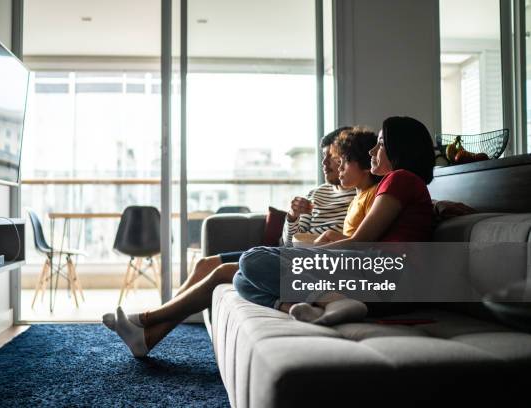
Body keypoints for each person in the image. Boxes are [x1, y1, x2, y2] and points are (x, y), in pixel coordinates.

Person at [102, 127, 356, 357]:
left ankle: (147, 322)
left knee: (222, 272)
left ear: (345, 158)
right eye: (323, 156)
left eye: (331, 157)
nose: (325, 163)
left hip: (303, 262)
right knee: (204, 263)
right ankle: (149, 332)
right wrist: (292, 217)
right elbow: (288, 242)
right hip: (285, 253)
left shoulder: (356, 197)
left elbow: (350, 242)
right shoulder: (317, 193)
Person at [232, 116, 435, 324]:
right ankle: (304, 307)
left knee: (252, 259)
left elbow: (361, 241)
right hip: (379, 281)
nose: (372, 152)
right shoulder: (403, 184)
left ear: (400, 149)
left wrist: (307, 255)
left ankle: (330, 301)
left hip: (388, 275)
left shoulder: (400, 178)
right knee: (240, 278)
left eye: (381, 144)